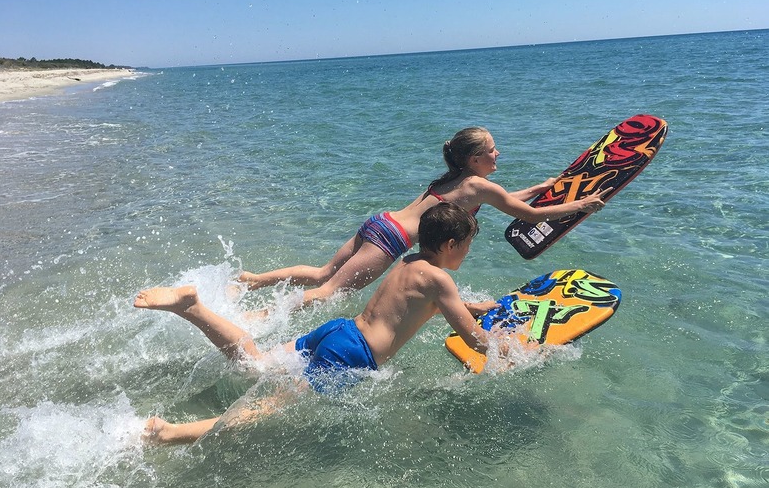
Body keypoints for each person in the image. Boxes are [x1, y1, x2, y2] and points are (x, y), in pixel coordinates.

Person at [138, 203, 506, 445]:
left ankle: (192, 308)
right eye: (467, 246)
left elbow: (419, 307)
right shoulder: (441, 281)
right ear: (451, 244)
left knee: (256, 363)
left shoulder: (410, 263)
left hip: (338, 332)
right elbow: (474, 341)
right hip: (352, 355)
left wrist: (469, 306)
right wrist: (509, 347)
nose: (468, 252)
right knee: (267, 409)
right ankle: (168, 434)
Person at [238, 126, 609, 309]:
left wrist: (544, 184)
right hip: (391, 241)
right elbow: (526, 214)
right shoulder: (480, 186)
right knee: (327, 292)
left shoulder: (457, 179)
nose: (499, 154)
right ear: (475, 160)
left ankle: (253, 281)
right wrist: (581, 205)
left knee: (322, 273)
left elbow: (508, 200)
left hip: (380, 222)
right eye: (493, 150)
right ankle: (260, 317)